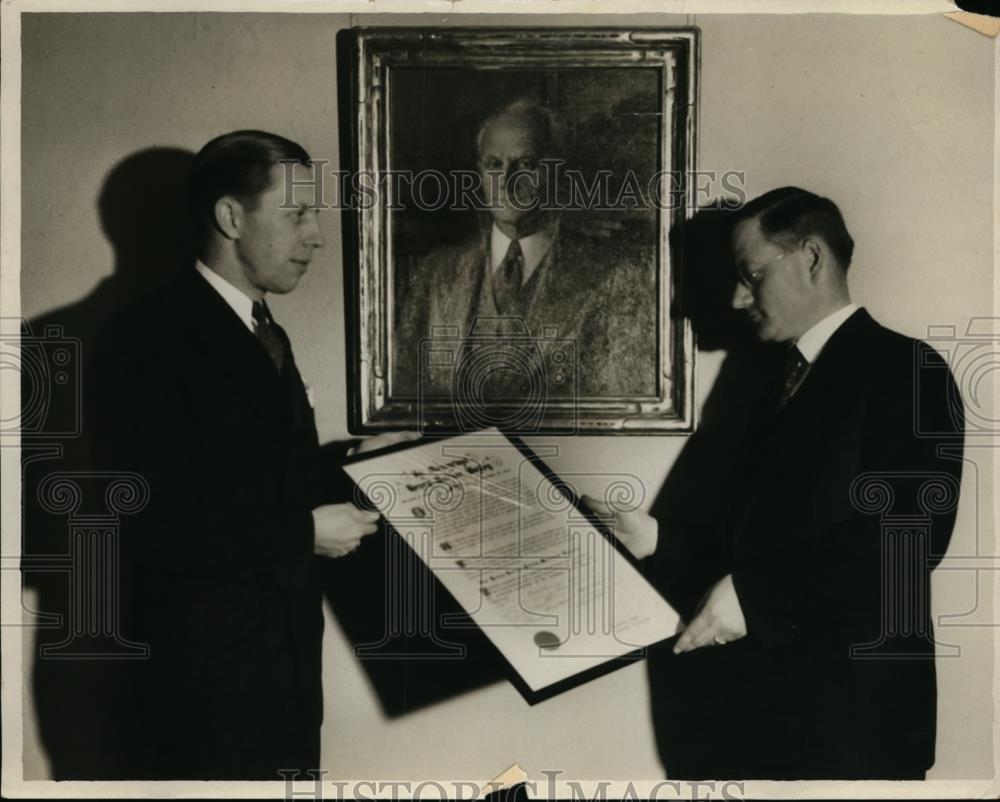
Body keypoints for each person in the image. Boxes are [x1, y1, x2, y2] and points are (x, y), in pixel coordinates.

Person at [588, 187, 965, 780]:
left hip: (853, 738)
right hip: (768, 730)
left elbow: (905, 542)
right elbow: (759, 544)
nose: (738, 299)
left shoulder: (906, 369)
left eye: (750, 274)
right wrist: (656, 537)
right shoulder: (776, 387)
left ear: (811, 257)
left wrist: (752, 596)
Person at [91, 130, 411, 779]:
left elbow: (249, 477)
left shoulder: (263, 330)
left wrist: (357, 457)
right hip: (198, 699)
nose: (316, 237)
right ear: (230, 217)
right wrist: (301, 535)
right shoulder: (145, 337)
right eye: (296, 215)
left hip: (279, 679)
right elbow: (140, 521)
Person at [394, 99, 656, 400]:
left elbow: (627, 397)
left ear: (558, 171)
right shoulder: (438, 270)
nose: (506, 181)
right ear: (479, 171)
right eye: (494, 165)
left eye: (526, 165)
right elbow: (403, 384)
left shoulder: (615, 278)